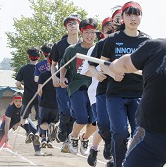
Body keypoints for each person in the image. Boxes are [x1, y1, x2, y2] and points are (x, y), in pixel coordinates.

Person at [100, 6, 166, 167]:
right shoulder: (126, 41)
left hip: (151, 139)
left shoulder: (156, 45)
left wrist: (114, 67)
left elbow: (122, 64)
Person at [100, 1, 151, 167]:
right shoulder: (113, 40)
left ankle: (130, 162)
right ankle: (118, 163)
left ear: (141, 17)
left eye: (137, 14)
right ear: (122, 17)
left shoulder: (147, 41)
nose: (133, 18)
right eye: (129, 14)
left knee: (140, 134)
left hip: (139, 94)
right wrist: (112, 73)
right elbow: (102, 64)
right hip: (116, 94)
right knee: (120, 133)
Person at [60, 18, 98, 156]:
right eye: (86, 32)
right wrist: (63, 77)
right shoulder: (72, 50)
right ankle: (74, 137)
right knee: (82, 118)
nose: (89, 35)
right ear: (81, 33)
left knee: (95, 122)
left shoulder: (99, 48)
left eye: (92, 32)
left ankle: (85, 138)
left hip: (94, 88)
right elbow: (63, 66)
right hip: (77, 87)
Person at [84, 15, 119, 166]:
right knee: (103, 125)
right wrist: (97, 73)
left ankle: (113, 155)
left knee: (117, 126)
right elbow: (86, 70)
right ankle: (94, 147)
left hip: (118, 93)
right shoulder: (95, 47)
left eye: (113, 29)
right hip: (97, 93)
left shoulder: (121, 46)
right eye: (107, 29)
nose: (110, 32)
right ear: (102, 32)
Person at [50, 13, 80, 153]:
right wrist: (54, 77)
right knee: (66, 112)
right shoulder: (59, 45)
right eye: (70, 24)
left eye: (75, 23)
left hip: (79, 84)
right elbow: (53, 64)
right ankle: (61, 129)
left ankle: (67, 139)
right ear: (66, 28)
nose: (73, 26)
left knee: (76, 113)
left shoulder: (85, 44)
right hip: (63, 83)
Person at [0, 92, 43, 156]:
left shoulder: (25, 106)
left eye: (20, 101)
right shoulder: (10, 108)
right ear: (13, 101)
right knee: (1, 130)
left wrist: (17, 124)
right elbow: (7, 123)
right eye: (16, 101)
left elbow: (24, 117)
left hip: (23, 119)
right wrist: (6, 135)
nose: (18, 103)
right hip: (11, 120)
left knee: (34, 130)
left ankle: (37, 150)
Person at [16, 47, 40, 138]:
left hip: (27, 96)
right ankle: (38, 132)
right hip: (39, 95)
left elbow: (18, 83)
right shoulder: (41, 68)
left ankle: (28, 131)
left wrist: (23, 87)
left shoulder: (24, 68)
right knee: (40, 117)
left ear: (29, 57)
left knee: (23, 116)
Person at [37, 56, 59, 148]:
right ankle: (50, 141)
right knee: (52, 122)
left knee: (42, 123)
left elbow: (40, 90)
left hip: (45, 103)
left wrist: (42, 98)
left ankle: (43, 139)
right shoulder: (59, 74)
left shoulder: (43, 75)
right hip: (56, 104)